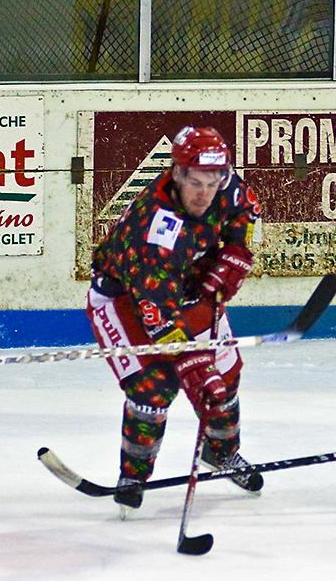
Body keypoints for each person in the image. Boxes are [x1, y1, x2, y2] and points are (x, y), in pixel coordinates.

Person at [86, 126, 262, 515]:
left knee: (225, 380)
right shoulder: (154, 230)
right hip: (127, 303)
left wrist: (235, 253)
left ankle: (222, 453)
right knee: (155, 387)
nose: (204, 193)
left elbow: (246, 211)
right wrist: (195, 367)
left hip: (185, 292)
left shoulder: (226, 185)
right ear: (177, 174)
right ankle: (133, 476)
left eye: (212, 182)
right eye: (195, 183)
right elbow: (159, 318)